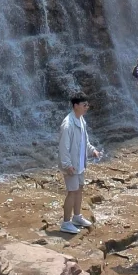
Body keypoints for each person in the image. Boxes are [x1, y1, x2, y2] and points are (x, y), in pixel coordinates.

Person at [57, 94, 101, 234]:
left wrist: (92, 150)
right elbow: (63, 147)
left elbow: (84, 141)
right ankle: (66, 223)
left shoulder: (81, 119)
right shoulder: (68, 124)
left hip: (80, 163)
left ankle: (76, 217)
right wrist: (67, 165)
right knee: (72, 192)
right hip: (71, 165)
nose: (86, 107)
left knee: (79, 189)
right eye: (84, 105)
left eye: (87, 105)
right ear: (76, 106)